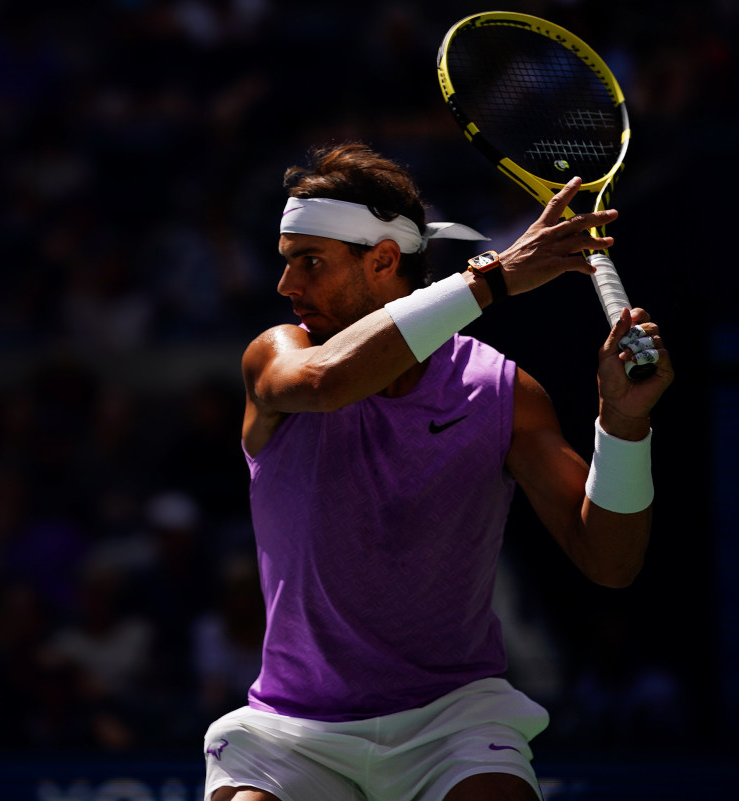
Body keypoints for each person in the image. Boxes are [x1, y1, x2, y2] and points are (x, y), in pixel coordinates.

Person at [202, 143, 673, 801]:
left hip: (452, 723)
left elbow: (610, 560)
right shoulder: (278, 357)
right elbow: (333, 379)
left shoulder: (500, 391)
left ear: (385, 261)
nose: (287, 286)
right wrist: (495, 276)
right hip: (292, 730)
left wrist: (624, 426)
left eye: (310, 263)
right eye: (286, 263)